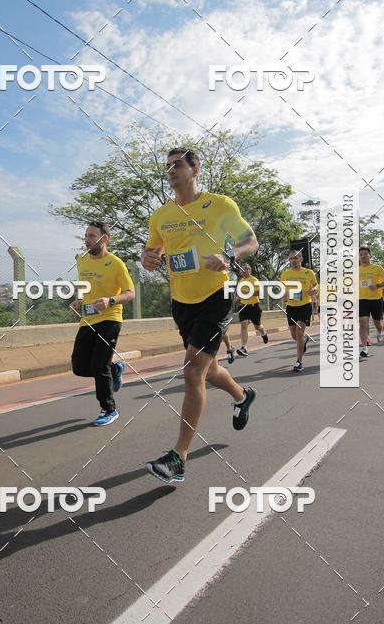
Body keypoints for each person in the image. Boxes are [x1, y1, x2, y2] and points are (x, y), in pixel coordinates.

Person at [142, 147, 258, 484]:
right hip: (182, 301)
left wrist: (229, 254)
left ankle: (178, 458)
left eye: (177, 165)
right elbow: (154, 249)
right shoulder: (161, 215)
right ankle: (242, 395)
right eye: (167, 167)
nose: (171, 171)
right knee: (209, 371)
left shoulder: (220, 205)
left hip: (217, 296)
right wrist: (148, 258)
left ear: (195, 169)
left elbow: (250, 240)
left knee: (193, 371)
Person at [71, 221, 135, 426]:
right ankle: (115, 369)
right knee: (79, 366)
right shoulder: (82, 261)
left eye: (91, 236)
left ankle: (109, 409)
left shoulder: (116, 264)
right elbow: (83, 286)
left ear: (104, 239)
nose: (86, 240)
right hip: (88, 319)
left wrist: (111, 300)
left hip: (110, 318)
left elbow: (130, 292)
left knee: (99, 365)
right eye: (86, 235)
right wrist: (79, 300)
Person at [279, 249, 318, 372]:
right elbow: (282, 290)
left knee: (299, 333)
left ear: (301, 259)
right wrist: (283, 295)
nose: (292, 260)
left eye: (295, 258)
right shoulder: (285, 274)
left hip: (305, 305)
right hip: (291, 307)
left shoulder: (309, 272)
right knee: (294, 335)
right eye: (290, 259)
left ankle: (299, 361)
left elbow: (316, 285)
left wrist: (314, 290)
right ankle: (304, 341)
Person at [358, 247, 384, 358]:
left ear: (370, 256)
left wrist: (377, 286)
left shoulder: (377, 268)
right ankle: (364, 348)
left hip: (376, 299)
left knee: (377, 323)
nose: (363, 256)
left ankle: (379, 332)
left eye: (365, 254)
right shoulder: (356, 270)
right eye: (361, 254)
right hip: (361, 299)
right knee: (363, 322)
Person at [236, 264, 269, 357]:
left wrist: (248, 292)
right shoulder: (241, 281)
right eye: (242, 270)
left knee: (257, 327)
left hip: (254, 306)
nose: (243, 271)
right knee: (243, 325)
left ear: (249, 270)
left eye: (245, 269)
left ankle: (264, 333)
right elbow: (240, 294)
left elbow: (259, 292)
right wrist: (237, 298)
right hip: (244, 306)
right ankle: (244, 347)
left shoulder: (254, 280)